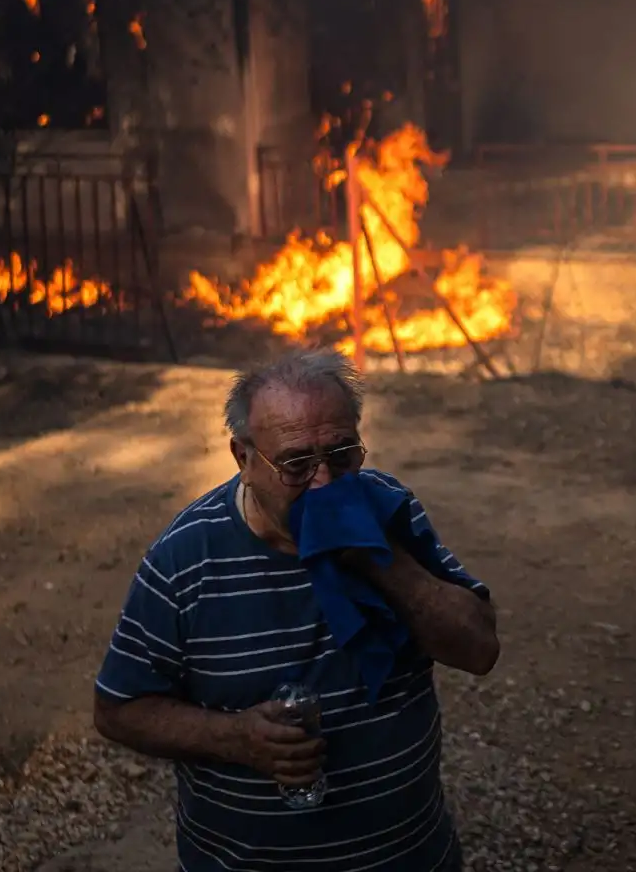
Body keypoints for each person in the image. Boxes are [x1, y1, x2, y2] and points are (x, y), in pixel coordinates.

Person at [93, 349, 499, 871]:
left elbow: (479, 649)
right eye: (296, 464)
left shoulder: (388, 510)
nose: (324, 482)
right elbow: (118, 710)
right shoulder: (184, 561)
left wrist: (379, 558)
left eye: (342, 455)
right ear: (243, 459)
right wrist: (236, 738)